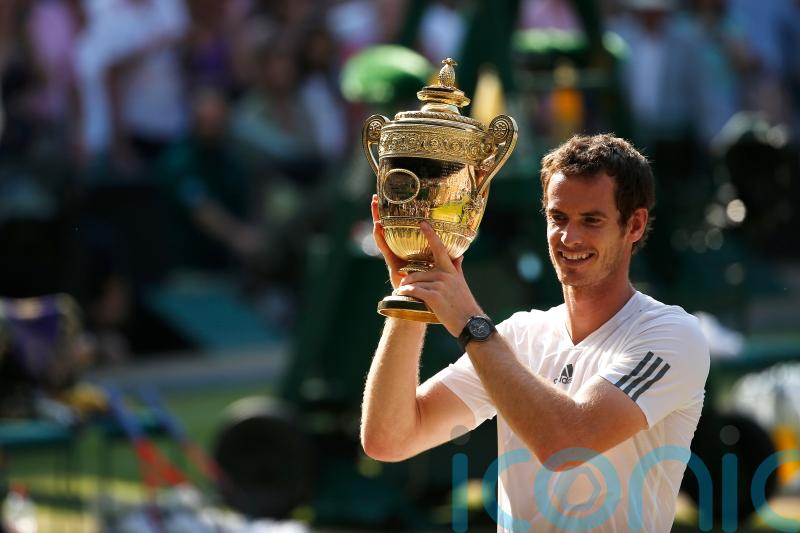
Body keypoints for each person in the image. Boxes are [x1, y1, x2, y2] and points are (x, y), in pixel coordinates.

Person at [360, 134, 710, 532]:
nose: (569, 238)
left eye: (591, 220)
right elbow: (389, 439)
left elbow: (567, 446)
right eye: (558, 217)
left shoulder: (673, 335)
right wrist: (411, 297)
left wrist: (470, 322)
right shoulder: (519, 336)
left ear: (635, 225)